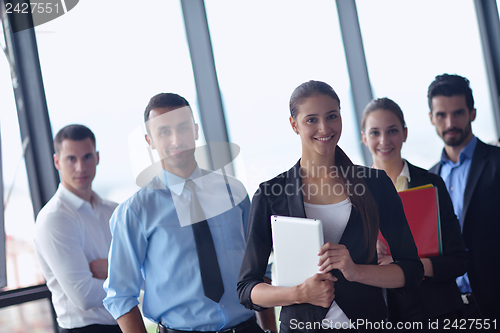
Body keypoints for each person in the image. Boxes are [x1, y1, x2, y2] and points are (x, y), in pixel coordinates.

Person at [237, 81, 424, 333]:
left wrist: (357, 271)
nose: (324, 128)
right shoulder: (271, 194)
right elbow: (248, 288)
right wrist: (299, 293)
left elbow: (412, 270)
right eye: (311, 119)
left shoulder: (376, 184)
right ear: (294, 125)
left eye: (332, 116)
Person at [103, 93, 276, 333]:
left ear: (195, 131)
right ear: (149, 140)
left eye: (183, 127)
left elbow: (258, 268)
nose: (176, 139)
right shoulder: (134, 212)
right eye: (164, 131)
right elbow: (120, 296)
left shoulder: (233, 192)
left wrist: (269, 330)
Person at [361, 97, 467, 328]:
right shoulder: (355, 196)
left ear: (405, 133)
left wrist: (404, 265)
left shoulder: (431, 184)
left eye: (392, 131)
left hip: (440, 311)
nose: (384, 140)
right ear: (364, 137)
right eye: (375, 133)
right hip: (384, 315)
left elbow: (458, 261)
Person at [428, 74, 500, 322]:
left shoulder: (497, 162)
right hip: (449, 308)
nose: (450, 123)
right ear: (431, 118)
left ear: (472, 113)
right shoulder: (427, 180)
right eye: (441, 115)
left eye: (458, 113)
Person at [34, 125, 120, 333]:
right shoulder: (54, 218)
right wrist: (127, 273)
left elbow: (146, 266)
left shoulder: (113, 210)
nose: (81, 167)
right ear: (57, 162)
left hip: (122, 323)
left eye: (87, 157)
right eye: (71, 159)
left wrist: (111, 270)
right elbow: (85, 296)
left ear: (97, 158)